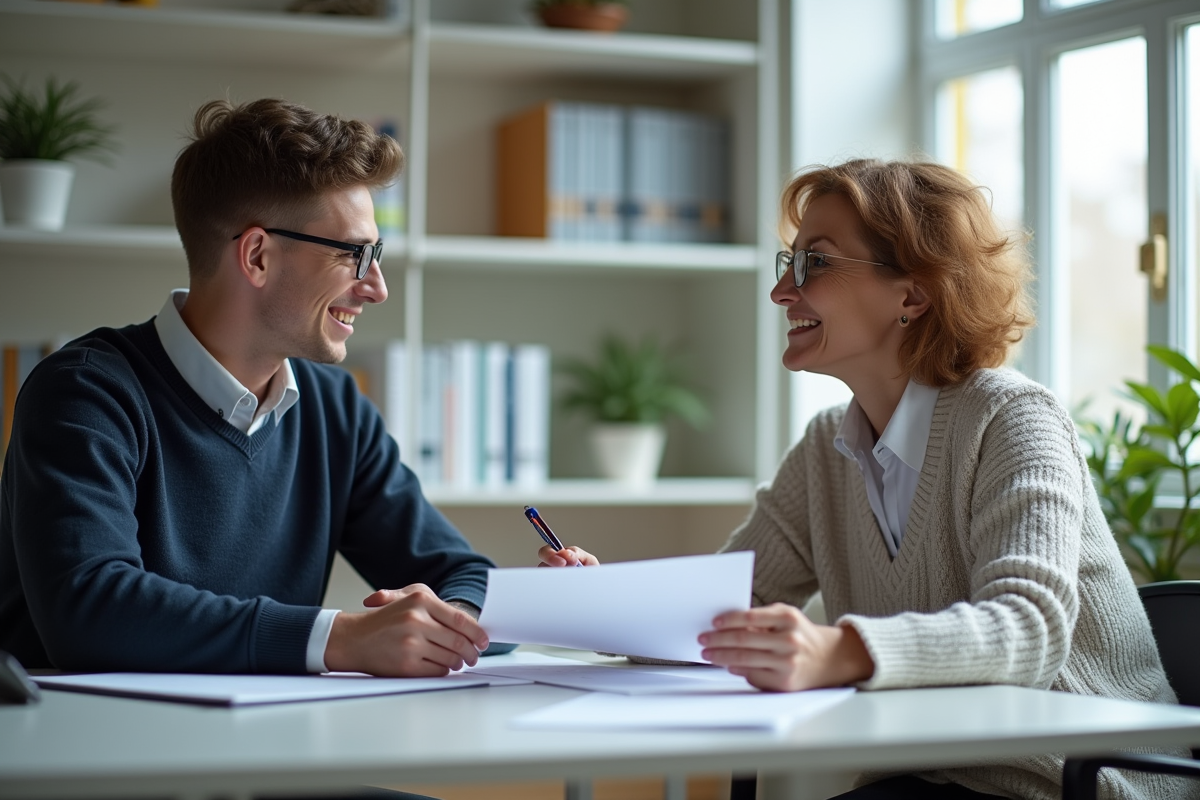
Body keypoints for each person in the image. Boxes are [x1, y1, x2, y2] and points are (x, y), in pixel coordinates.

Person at [539, 159, 1193, 800]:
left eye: (814, 262)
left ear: (912, 293)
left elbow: (1030, 630)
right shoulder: (828, 447)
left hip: (1078, 781)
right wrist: (608, 603)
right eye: (788, 263)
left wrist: (840, 650)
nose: (781, 291)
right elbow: (723, 612)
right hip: (935, 777)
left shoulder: (1013, 419)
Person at [0, 98, 508, 680]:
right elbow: (89, 610)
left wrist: (454, 627)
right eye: (356, 255)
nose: (377, 288)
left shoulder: (336, 410)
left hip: (270, 760)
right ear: (258, 255)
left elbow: (462, 573)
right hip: (100, 763)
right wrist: (339, 638)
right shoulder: (85, 394)